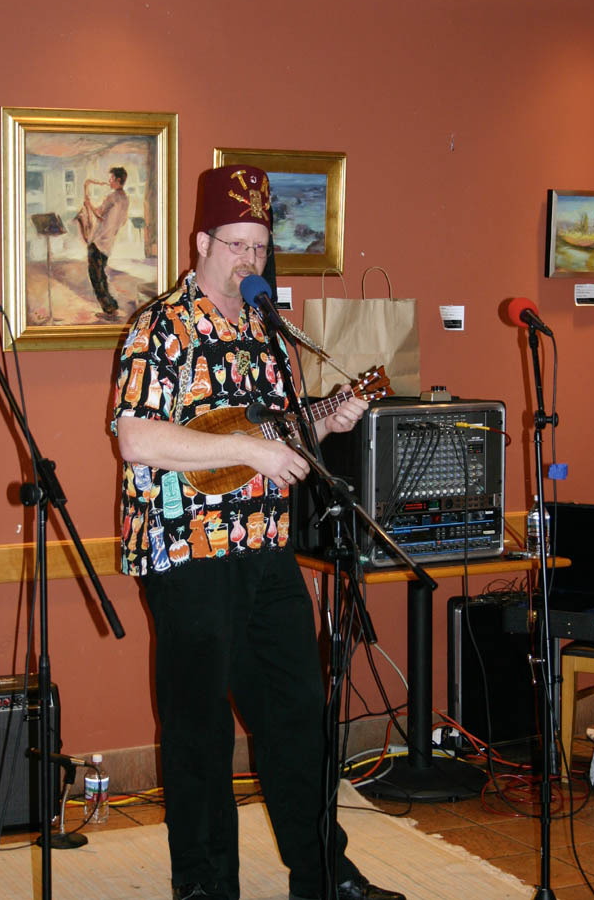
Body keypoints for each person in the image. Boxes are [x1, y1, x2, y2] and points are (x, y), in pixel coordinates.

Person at [112, 165, 406, 900]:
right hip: (185, 553)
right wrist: (248, 449)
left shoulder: (266, 333)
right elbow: (137, 437)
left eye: (260, 247)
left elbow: (277, 434)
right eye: (236, 244)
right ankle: (208, 886)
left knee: (298, 715)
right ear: (201, 243)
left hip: (266, 550)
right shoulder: (162, 325)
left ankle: (324, 875)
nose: (249, 260)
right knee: (200, 727)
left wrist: (327, 421)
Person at [84, 166, 129, 315]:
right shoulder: (125, 199)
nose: (108, 182)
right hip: (108, 242)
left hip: (98, 241)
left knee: (95, 276)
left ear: (117, 180)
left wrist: (88, 203)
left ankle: (108, 307)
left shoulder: (112, 197)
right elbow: (121, 222)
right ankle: (111, 304)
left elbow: (99, 213)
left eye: (111, 179)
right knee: (101, 273)